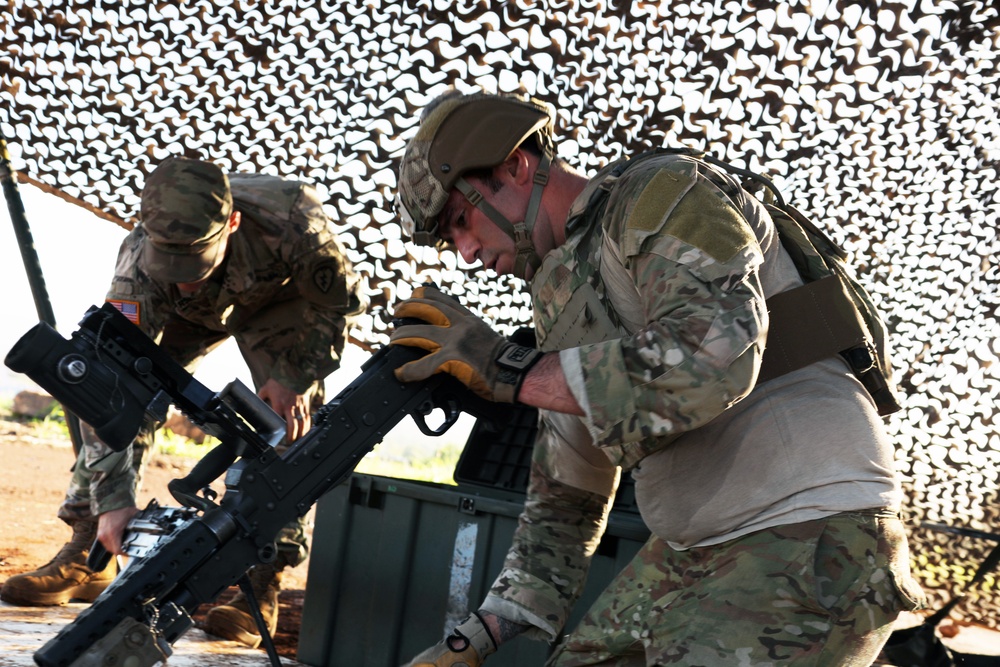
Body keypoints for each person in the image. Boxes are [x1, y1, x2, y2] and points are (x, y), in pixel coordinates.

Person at [388, 91, 926, 666]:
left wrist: (507, 369)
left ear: (515, 165)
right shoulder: (561, 295)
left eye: (461, 221)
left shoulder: (663, 195)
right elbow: (567, 495)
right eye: (450, 241)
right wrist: (475, 638)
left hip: (811, 530)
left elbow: (712, 358)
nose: (466, 253)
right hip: (691, 551)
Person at [0, 157, 366, 649]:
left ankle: (262, 580)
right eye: (169, 261)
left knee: (285, 427)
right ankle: (88, 550)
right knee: (120, 391)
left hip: (280, 306)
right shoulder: (140, 270)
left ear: (231, 222)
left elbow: (336, 301)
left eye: (193, 260)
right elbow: (105, 391)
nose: (183, 276)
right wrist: (114, 503)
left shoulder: (293, 218)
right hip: (185, 318)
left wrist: (294, 376)